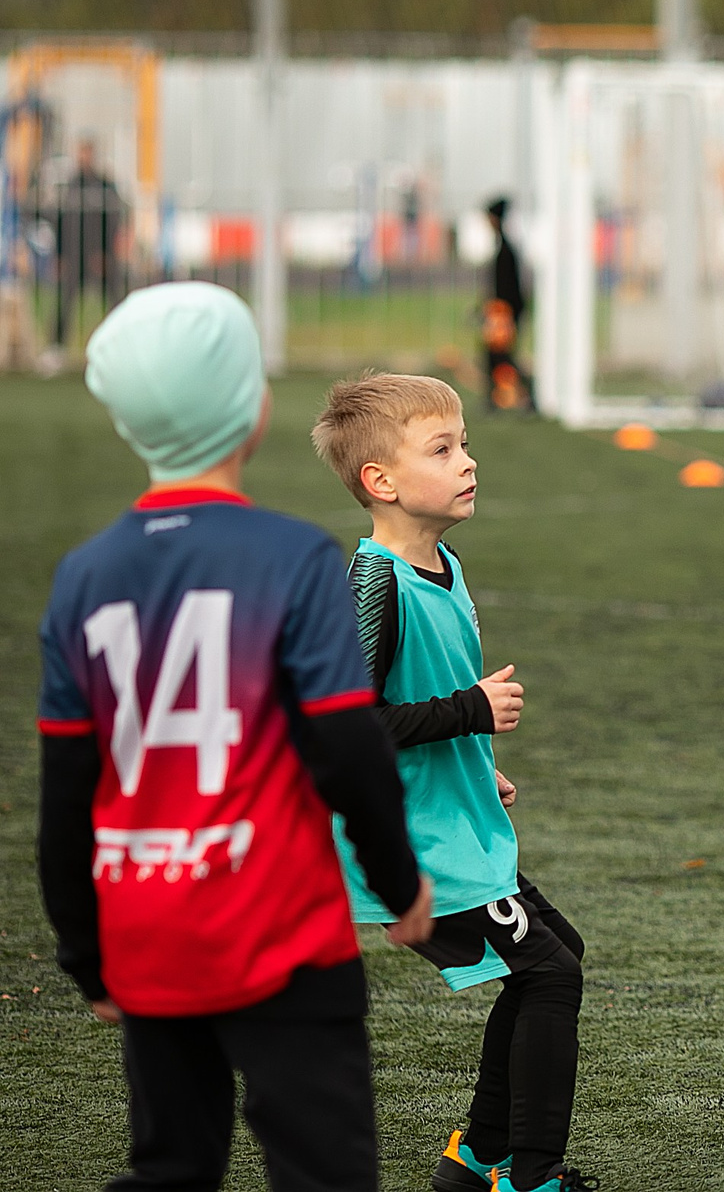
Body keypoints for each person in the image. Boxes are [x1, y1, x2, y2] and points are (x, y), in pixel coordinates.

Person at [35, 281, 433, 1192]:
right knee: (323, 1170)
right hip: (281, 931)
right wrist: (399, 879)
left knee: (171, 1168)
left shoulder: (83, 577)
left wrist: (84, 954)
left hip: (147, 930)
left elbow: (66, 792)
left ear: (128, 421)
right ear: (251, 410)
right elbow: (345, 746)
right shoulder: (290, 558)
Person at [310, 373, 591, 1192]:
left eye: (465, 442)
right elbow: (348, 726)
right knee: (550, 973)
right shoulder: (374, 585)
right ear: (381, 481)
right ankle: (529, 1176)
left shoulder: (442, 561)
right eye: (443, 448)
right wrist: (470, 710)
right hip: (409, 841)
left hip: (453, 821)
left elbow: (411, 704)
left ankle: (477, 1160)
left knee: (553, 958)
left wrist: (477, 764)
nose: (468, 461)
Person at [50, 135, 128, 348]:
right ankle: (56, 347)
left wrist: (104, 251)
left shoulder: (104, 185)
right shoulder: (70, 186)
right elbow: (60, 222)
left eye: (88, 152)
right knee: (66, 300)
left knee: (115, 300)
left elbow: (113, 221)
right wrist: (59, 254)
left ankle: (124, 343)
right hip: (75, 254)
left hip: (101, 255)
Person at [481, 198, 533, 412]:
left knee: (503, 358)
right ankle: (496, 397)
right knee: (497, 358)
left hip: (503, 314)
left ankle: (527, 395)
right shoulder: (503, 247)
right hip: (500, 313)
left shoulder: (505, 250)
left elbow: (508, 289)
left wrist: (505, 316)